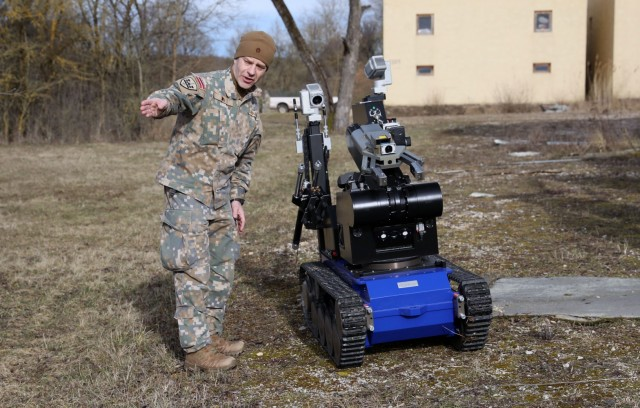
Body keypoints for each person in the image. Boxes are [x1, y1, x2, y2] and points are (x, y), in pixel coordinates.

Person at [140, 31, 276, 371]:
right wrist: (161, 105)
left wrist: (237, 199)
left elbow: (244, 162)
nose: (251, 70)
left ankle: (211, 335)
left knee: (221, 266)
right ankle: (196, 350)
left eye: (260, 66)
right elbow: (174, 94)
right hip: (187, 188)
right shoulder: (205, 85)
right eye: (248, 61)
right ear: (236, 58)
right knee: (192, 269)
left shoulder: (253, 110)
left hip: (220, 196)